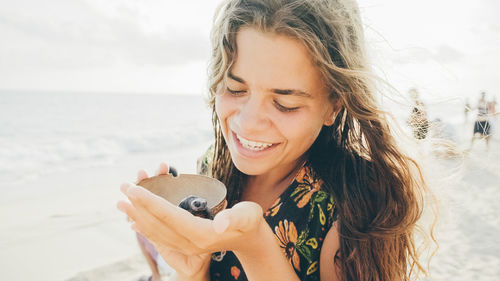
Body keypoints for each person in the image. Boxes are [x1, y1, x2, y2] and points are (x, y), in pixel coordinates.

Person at [117, 1, 432, 281]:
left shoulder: (360, 201)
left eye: (285, 104)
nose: (248, 122)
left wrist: (255, 244)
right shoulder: (214, 164)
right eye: (235, 89)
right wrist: (191, 270)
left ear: (334, 104)